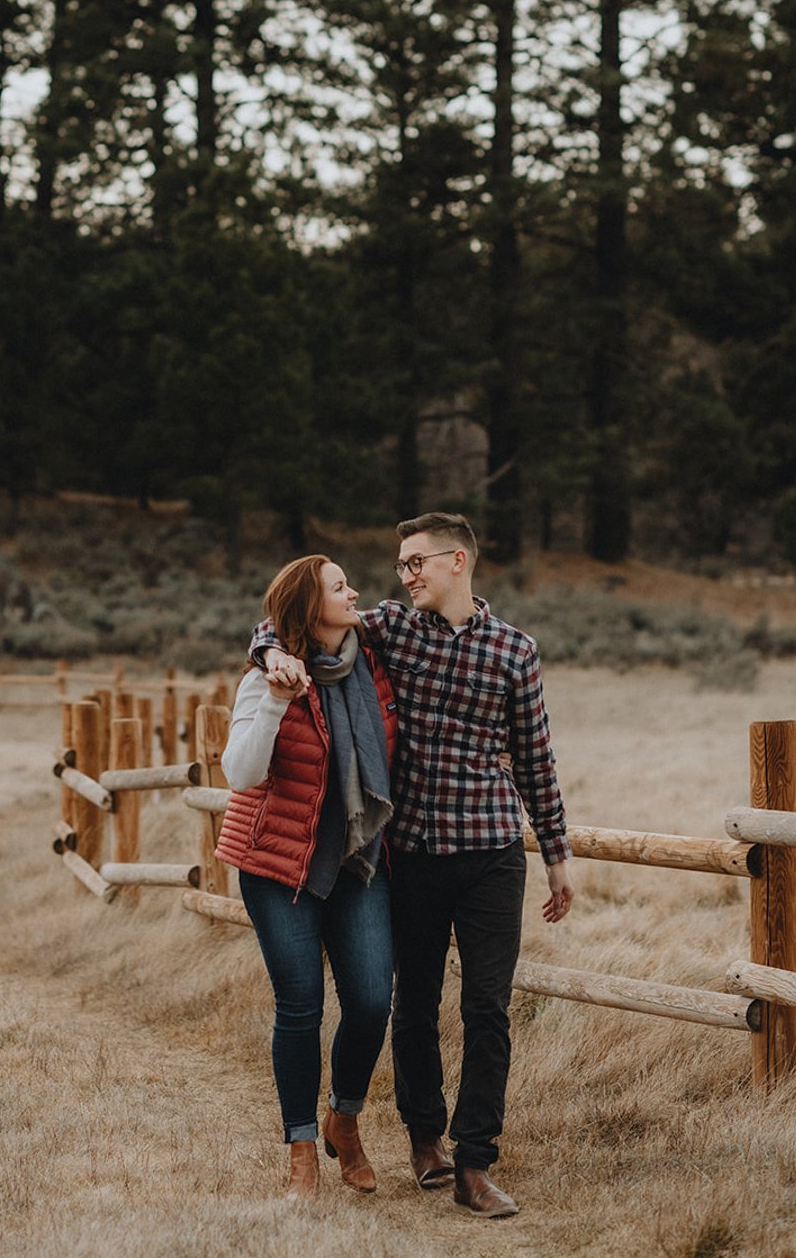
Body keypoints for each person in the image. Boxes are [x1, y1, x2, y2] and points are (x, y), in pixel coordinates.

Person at [255, 512, 573, 1220]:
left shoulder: (515, 650)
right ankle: (425, 1139)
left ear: (457, 560)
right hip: (418, 851)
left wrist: (555, 852)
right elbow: (295, 618)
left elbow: (535, 758)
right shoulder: (393, 628)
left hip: (491, 851)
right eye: (400, 566)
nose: (404, 575)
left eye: (416, 562)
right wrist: (265, 652)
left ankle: (475, 1162)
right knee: (414, 1001)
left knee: (488, 1006)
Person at [216, 554, 398, 1203]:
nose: (356, 592)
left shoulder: (376, 661)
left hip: (358, 859)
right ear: (307, 604)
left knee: (374, 998)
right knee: (301, 1004)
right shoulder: (269, 678)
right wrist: (274, 695)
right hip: (276, 864)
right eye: (340, 586)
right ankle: (301, 1150)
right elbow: (240, 773)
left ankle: (342, 1119)